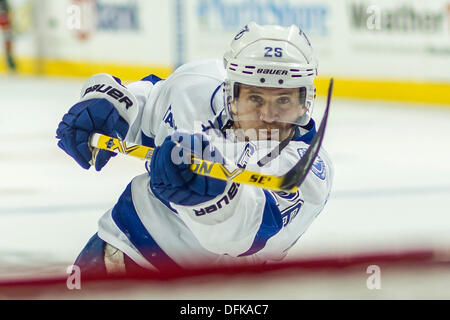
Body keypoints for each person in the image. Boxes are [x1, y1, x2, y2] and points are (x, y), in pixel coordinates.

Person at [56, 22, 333, 277]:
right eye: (255, 98)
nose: (269, 115)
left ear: (304, 101)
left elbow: (246, 234)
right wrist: (108, 103)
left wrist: (210, 196)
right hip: (117, 250)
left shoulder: (309, 173)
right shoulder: (197, 85)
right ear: (231, 94)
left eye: (283, 99)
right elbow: (150, 100)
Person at [0, 0, 16, 71]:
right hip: (4, 16)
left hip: (4, 17)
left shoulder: (4, 3)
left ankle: (9, 59)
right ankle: (9, 59)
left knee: (8, 38)